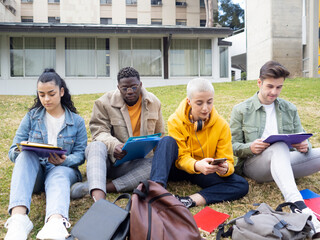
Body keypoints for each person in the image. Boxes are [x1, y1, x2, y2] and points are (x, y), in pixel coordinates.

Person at [230, 60, 320, 236]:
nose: (274, 92)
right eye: (270, 86)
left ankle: (287, 184)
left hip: (284, 163)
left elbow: (302, 136)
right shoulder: (241, 110)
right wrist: (251, 148)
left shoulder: (289, 108)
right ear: (259, 82)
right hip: (255, 166)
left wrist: (304, 145)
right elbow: (232, 147)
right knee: (278, 146)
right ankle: (298, 205)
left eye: (279, 87)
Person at [4, 69, 87, 240]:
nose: (46, 99)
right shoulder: (31, 117)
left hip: (62, 170)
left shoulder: (76, 121)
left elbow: (80, 155)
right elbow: (12, 151)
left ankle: (55, 222)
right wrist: (23, 149)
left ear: (61, 92)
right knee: (25, 155)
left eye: (51, 94)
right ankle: (19, 220)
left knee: (60, 171)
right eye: (41, 95)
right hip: (36, 174)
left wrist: (64, 160)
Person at [150, 78, 249, 208]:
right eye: (199, 103)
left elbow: (229, 161)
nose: (205, 108)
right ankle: (156, 192)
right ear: (189, 101)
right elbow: (181, 158)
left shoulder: (222, 125)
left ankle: (187, 201)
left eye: (209, 102)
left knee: (241, 185)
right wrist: (196, 165)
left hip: (205, 171)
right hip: (179, 167)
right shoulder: (175, 120)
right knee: (166, 141)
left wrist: (225, 169)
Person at [70, 67, 165, 202]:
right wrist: (114, 145)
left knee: (156, 164)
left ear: (141, 84)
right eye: (125, 88)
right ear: (118, 87)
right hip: (109, 161)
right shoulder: (103, 103)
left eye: (134, 87)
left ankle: (103, 187)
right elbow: (99, 131)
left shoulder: (154, 102)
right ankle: (99, 199)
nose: (130, 91)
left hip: (135, 164)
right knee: (95, 146)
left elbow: (159, 135)